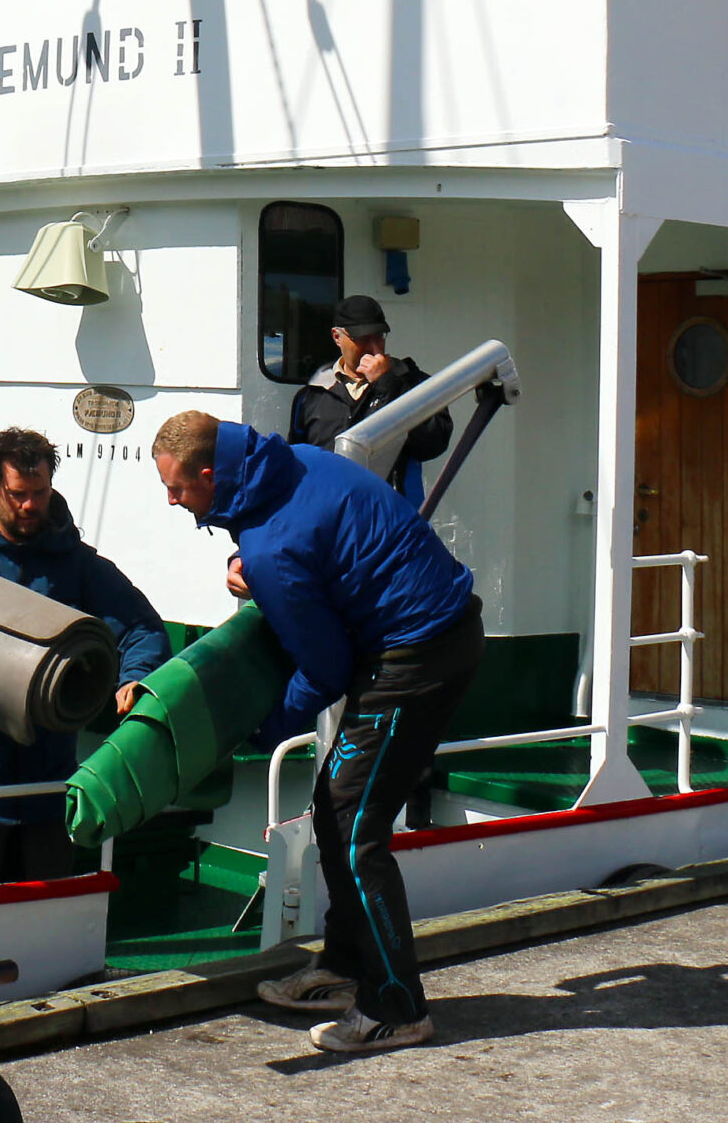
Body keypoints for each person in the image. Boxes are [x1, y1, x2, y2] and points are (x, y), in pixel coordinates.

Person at [151, 408, 483, 1055]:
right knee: (337, 816)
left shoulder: (271, 545)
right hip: (431, 634)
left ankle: (396, 1007)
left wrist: (262, 729)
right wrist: (251, 571)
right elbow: (312, 555)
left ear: (212, 474)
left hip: (418, 656)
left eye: (178, 488)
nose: (171, 500)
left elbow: (326, 668)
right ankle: (345, 967)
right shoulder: (290, 463)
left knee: (353, 830)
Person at [0, 426, 169, 891]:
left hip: (46, 797)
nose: (31, 505)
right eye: (18, 494)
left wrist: (134, 678)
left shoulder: (78, 566)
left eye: (40, 492)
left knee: (45, 935)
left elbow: (142, 629)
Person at [289, 294, 453, 491]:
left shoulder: (415, 383)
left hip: (390, 513)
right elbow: (295, 460)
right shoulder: (311, 395)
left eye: (379, 337)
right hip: (329, 514)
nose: (374, 348)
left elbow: (433, 444)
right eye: (363, 338)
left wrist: (389, 385)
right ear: (337, 337)